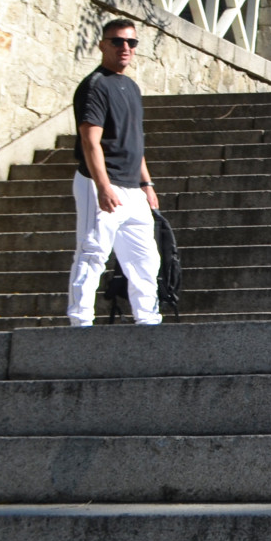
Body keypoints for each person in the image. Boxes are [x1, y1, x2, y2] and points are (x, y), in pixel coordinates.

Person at [67, 18, 162, 326]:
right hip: (102, 183)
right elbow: (89, 140)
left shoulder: (131, 87)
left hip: (133, 188)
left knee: (146, 258)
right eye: (117, 41)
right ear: (102, 45)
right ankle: (80, 322)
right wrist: (103, 186)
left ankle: (148, 320)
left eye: (131, 43)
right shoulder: (95, 86)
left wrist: (146, 183)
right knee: (93, 253)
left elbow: (135, 140)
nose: (125, 48)